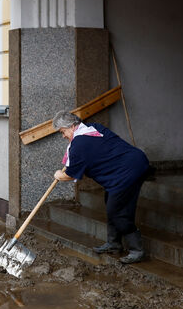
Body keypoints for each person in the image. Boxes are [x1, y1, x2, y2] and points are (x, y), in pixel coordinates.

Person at [52, 110, 149, 264]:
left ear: (71, 126)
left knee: (117, 210)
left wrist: (59, 175)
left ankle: (137, 250)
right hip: (129, 164)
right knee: (110, 201)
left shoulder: (80, 144)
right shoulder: (92, 128)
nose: (63, 136)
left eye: (62, 132)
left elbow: (71, 174)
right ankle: (114, 243)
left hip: (128, 170)